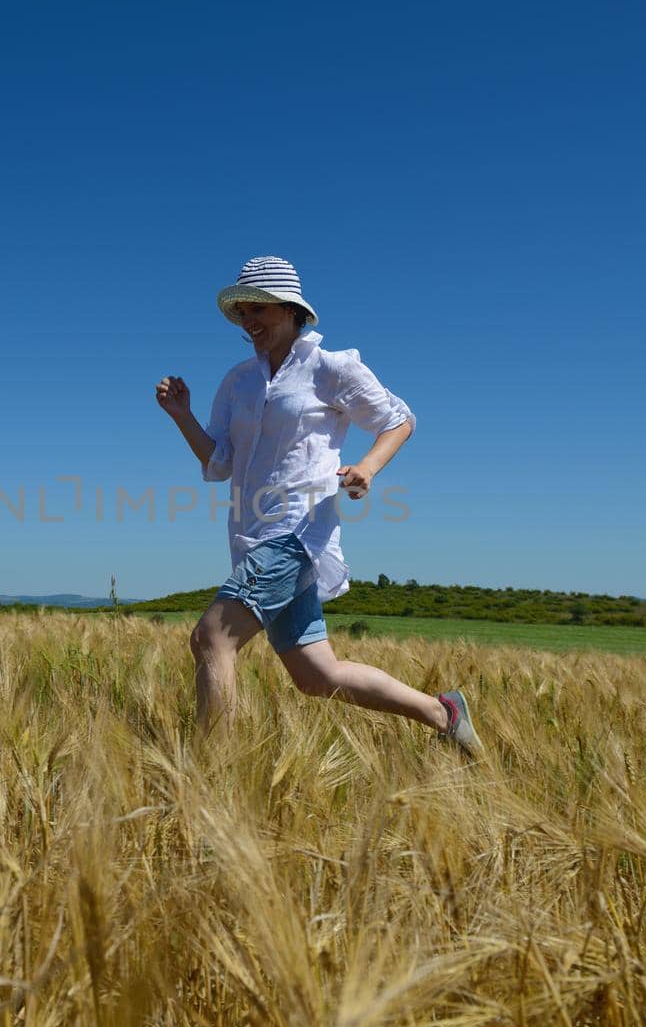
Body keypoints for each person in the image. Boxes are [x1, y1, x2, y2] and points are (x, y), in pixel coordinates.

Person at [155, 256, 483, 757]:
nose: (248, 320)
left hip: (296, 531)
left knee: (211, 639)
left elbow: (399, 419)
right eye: (241, 311)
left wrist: (367, 468)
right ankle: (443, 712)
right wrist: (182, 416)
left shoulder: (331, 368)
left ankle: (210, 777)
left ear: (290, 309)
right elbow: (219, 462)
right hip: (251, 535)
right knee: (316, 674)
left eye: (257, 308)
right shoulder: (237, 381)